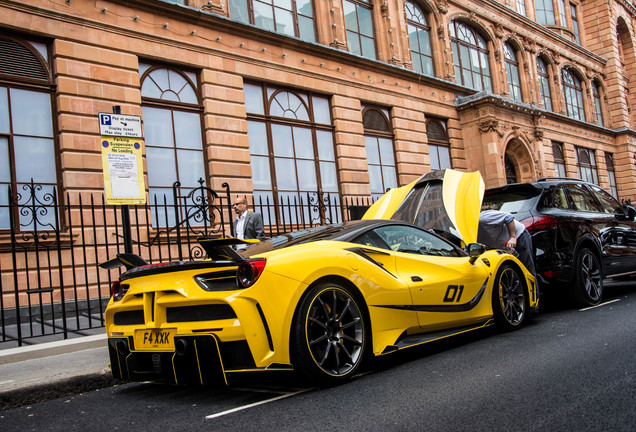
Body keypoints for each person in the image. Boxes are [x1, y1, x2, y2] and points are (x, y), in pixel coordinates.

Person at [477, 209, 536, 277]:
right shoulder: (467, 233)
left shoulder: (483, 218)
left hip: (518, 236)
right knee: (510, 275)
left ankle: (533, 287)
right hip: (503, 246)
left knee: (527, 272)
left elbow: (508, 217)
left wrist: (513, 237)